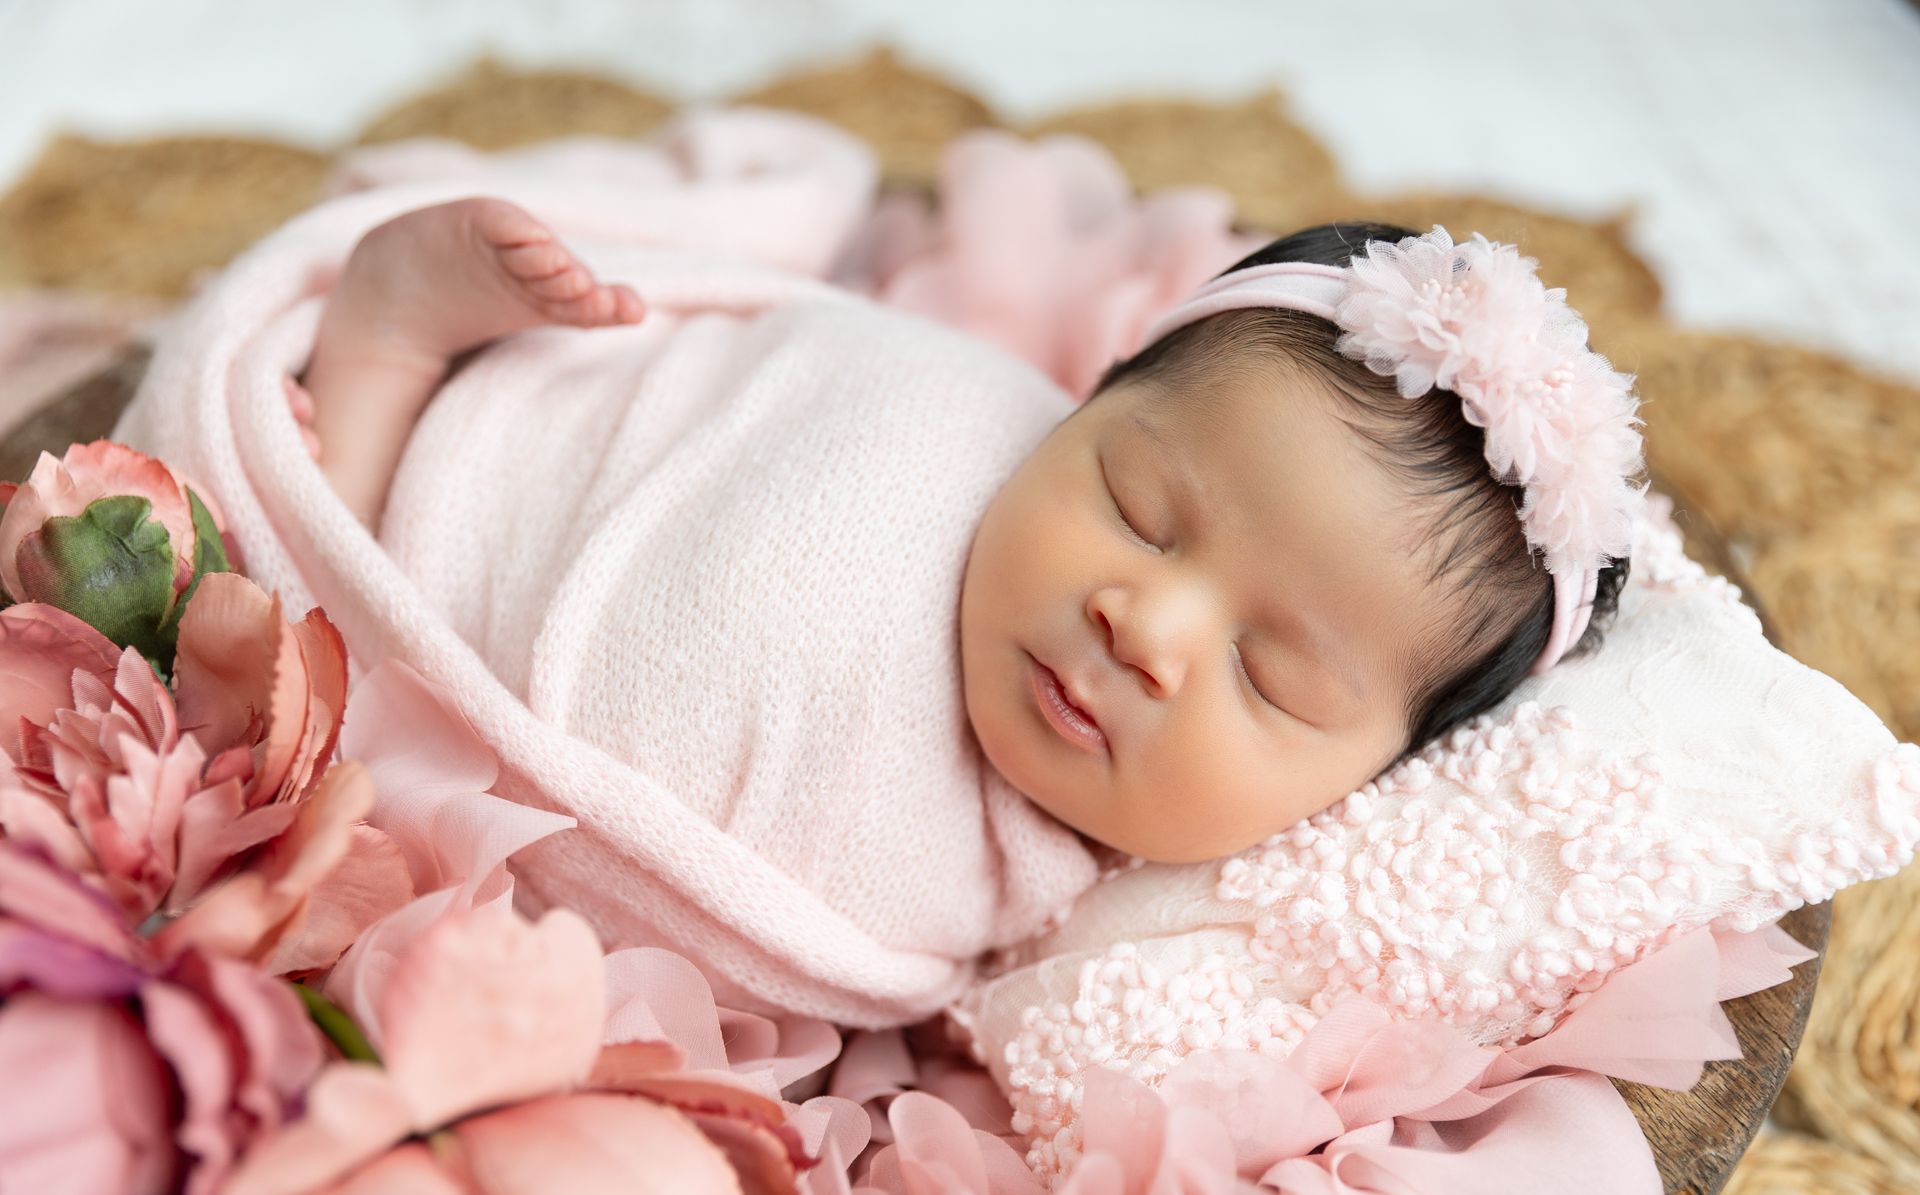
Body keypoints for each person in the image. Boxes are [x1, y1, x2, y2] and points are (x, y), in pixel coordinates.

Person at [293, 201, 1641, 869]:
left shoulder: (1082, 914)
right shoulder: (955, 409)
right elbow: (787, 355)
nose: (1149, 625)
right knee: (284, 622)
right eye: (1138, 509)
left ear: (1369, 784)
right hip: (501, 477)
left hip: (454, 803)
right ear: (1090, 398)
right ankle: (389, 359)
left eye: (1273, 677)